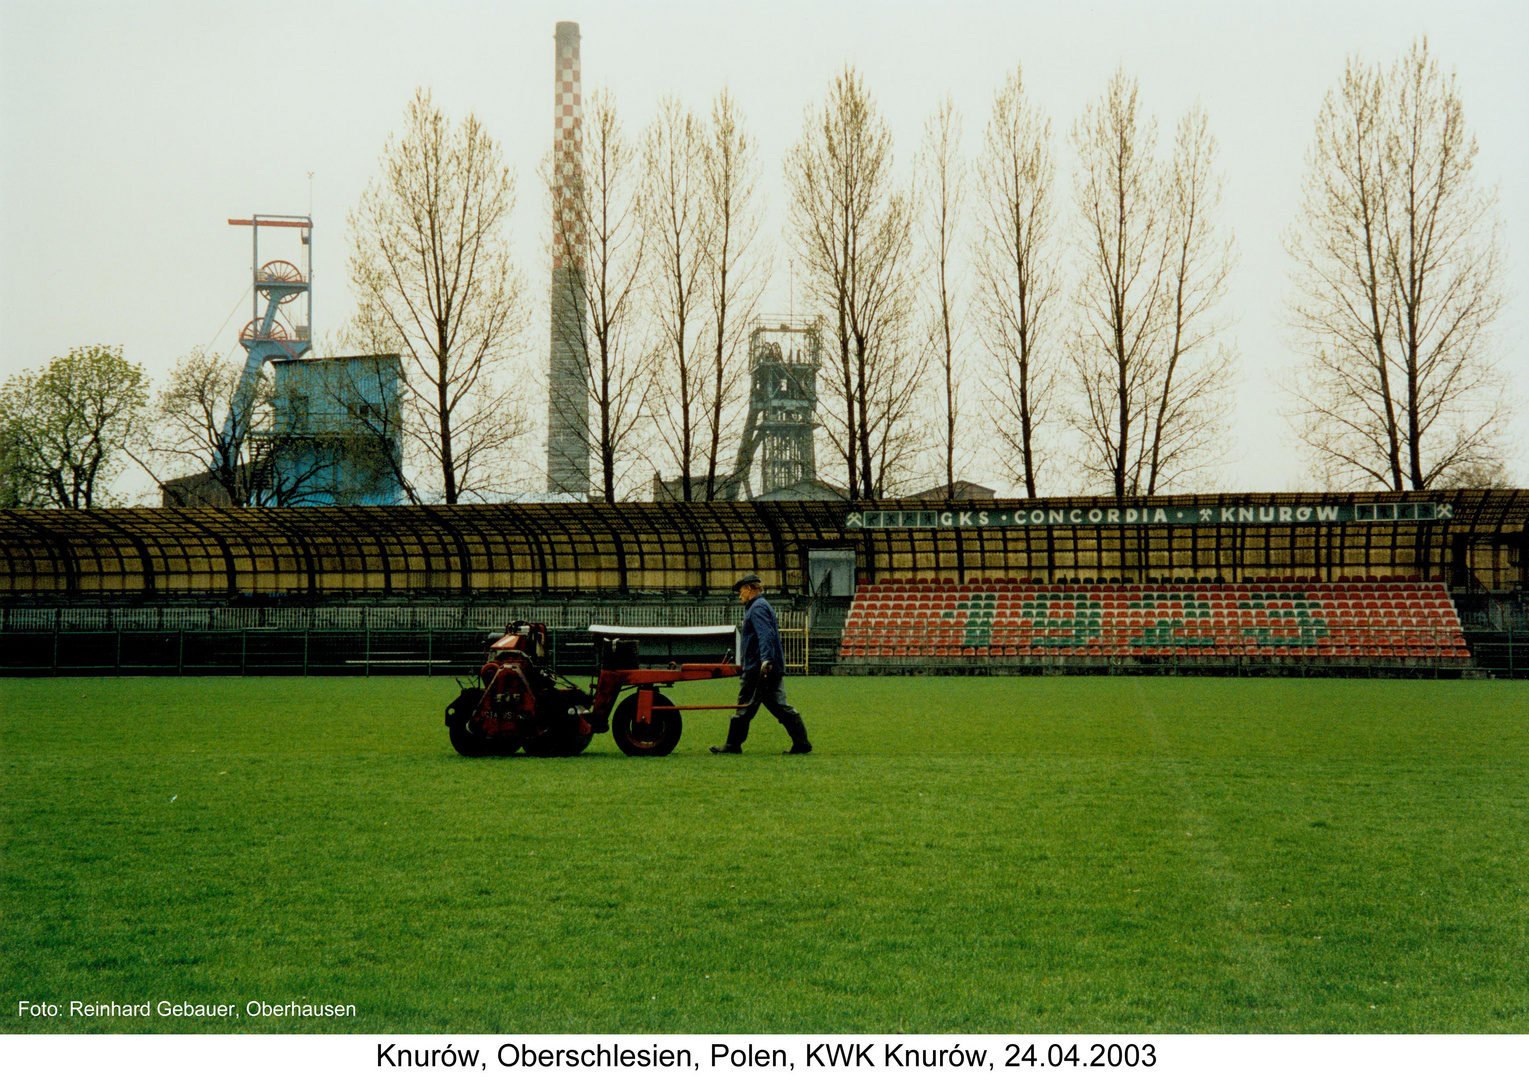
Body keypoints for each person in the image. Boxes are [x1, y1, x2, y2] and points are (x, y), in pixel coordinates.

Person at [711, 574, 813, 755]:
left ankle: (732, 745)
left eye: (741, 591)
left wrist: (765, 660)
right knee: (780, 706)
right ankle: (802, 743)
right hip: (767, 667)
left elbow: (765, 635)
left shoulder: (756, 608)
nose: (739, 595)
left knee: (744, 706)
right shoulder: (761, 606)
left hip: (759, 668)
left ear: (749, 589)